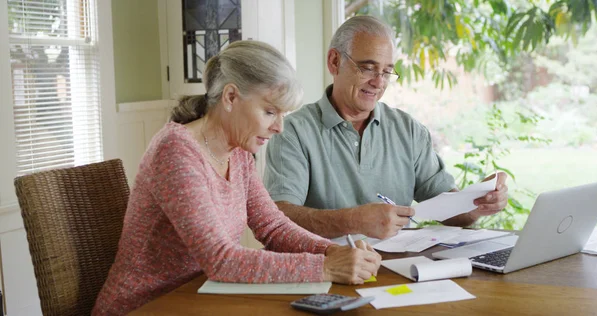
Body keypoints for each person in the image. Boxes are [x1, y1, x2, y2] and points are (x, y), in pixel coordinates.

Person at [92, 41, 381, 315]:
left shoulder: (238, 151)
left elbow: (272, 226)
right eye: (270, 111)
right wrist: (326, 267)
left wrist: (333, 250)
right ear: (230, 97)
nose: (279, 127)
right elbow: (221, 260)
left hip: (200, 298)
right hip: (146, 306)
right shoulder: (176, 152)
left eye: (282, 114)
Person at [264, 16, 508, 240]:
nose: (379, 82)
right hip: (329, 270)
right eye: (368, 68)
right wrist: (353, 221)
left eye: (387, 71)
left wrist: (477, 204)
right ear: (334, 62)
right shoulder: (292, 131)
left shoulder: (408, 130)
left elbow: (451, 211)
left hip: (402, 269)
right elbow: (279, 217)